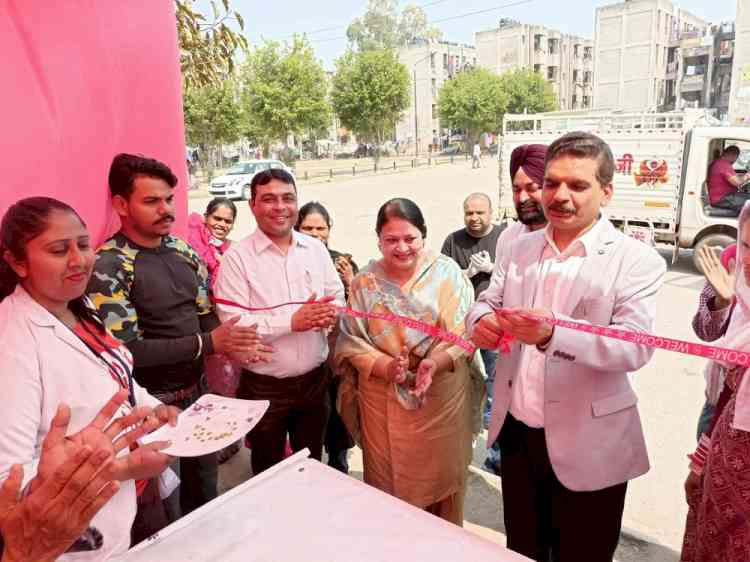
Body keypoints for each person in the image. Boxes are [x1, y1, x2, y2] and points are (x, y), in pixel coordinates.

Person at [466, 132, 666, 561]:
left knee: (583, 554)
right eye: (553, 183)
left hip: (591, 442)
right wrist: (480, 319)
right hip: (519, 435)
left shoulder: (635, 260)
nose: (560, 195)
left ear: (606, 191)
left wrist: (553, 334)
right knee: (523, 548)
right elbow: (488, 300)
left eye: (577, 185)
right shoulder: (516, 247)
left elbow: (634, 347)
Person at [86, 154, 265, 521]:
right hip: (150, 412)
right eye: (151, 201)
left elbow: (205, 317)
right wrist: (211, 343)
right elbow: (126, 352)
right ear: (121, 204)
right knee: (165, 513)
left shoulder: (182, 250)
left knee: (206, 501)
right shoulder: (108, 264)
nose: (166, 209)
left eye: (169, 199)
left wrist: (238, 345)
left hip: (199, 397)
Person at [0, 196, 179, 561]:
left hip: (127, 505)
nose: (79, 260)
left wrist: (154, 409)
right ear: (17, 261)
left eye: (83, 244)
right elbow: (9, 478)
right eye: (58, 250)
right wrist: (121, 469)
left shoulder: (78, 306)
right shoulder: (12, 342)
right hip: (77, 537)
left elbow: (116, 379)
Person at [334, 198, 484, 526]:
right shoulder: (364, 283)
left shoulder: (448, 274)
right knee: (391, 496)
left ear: (424, 237)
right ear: (378, 240)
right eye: (391, 240)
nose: (401, 248)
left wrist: (436, 361)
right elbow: (349, 341)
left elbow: (465, 333)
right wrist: (387, 367)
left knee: (442, 493)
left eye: (410, 238)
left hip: (440, 402)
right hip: (383, 403)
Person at [214, 169, 345, 476]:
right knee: (266, 472)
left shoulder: (314, 249)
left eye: (287, 198)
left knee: (312, 466)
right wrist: (292, 321)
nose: (280, 207)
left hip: (315, 383)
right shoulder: (237, 258)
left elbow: (336, 295)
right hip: (264, 388)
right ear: (252, 205)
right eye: (268, 199)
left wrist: (329, 313)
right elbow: (235, 325)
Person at [681, 202, 750, 561]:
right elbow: (704, 329)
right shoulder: (730, 263)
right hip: (722, 421)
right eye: (749, 245)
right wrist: (725, 302)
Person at [440, 192, 502, 473]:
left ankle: (496, 456)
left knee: (496, 386)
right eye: (469, 213)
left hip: (494, 326)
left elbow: (520, 276)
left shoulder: (506, 238)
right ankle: (450, 446)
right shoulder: (453, 241)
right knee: (453, 382)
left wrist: (493, 269)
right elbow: (441, 279)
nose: (474, 218)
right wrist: (467, 272)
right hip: (460, 324)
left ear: (491, 213)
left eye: (480, 213)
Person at [295, 201, 357, 473]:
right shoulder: (289, 260)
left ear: (329, 229)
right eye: (308, 228)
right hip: (304, 351)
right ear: (297, 228)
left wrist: (351, 280)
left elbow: (362, 309)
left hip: (338, 348)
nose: (315, 233)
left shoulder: (342, 260)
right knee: (311, 412)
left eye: (321, 228)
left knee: (339, 405)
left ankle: (338, 454)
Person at [692, 243, 737, 440]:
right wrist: (721, 303)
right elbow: (705, 331)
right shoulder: (732, 259)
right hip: (721, 400)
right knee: (706, 467)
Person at [187, 197, 237, 290]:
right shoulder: (191, 241)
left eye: (228, 221)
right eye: (217, 219)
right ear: (205, 217)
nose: (222, 224)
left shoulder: (235, 248)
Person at [707, 145, 750, 213]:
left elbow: (731, 177)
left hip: (724, 196)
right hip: (721, 199)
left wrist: (743, 176)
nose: (735, 160)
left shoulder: (719, 163)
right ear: (732, 155)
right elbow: (737, 182)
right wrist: (747, 176)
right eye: (736, 157)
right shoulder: (723, 165)